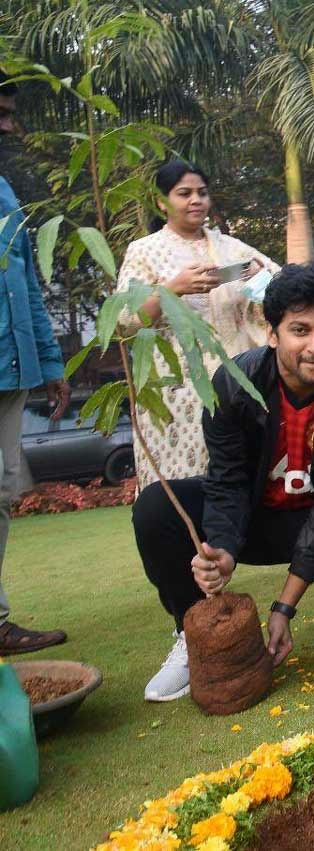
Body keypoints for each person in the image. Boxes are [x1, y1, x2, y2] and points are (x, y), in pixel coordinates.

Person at [132, 263, 314, 702]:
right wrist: (222, 550)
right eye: (300, 330)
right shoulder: (232, 384)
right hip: (255, 518)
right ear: (272, 332)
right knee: (157, 507)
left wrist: (284, 608)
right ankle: (194, 636)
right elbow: (226, 482)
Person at [117, 159, 279, 489]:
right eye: (184, 193)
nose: (196, 200)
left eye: (202, 193)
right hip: (175, 391)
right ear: (162, 202)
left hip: (235, 384)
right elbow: (125, 322)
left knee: (240, 479)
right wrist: (172, 289)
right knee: (182, 487)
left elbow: (282, 290)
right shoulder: (144, 252)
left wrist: (261, 279)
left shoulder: (231, 247)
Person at [0, 75, 70, 654]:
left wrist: (49, 361)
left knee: (0, 492)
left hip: (9, 368)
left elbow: (25, 284)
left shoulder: (3, 192)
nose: (6, 124)